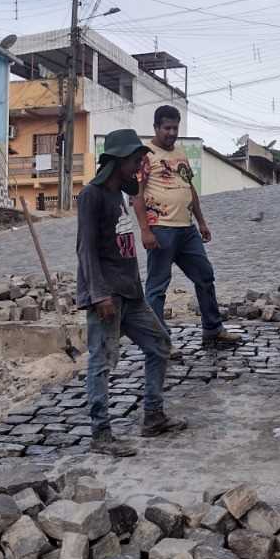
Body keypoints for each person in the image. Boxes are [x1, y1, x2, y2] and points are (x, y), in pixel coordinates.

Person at [77, 128, 186, 456]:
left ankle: (153, 416)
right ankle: (101, 435)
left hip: (131, 294)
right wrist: (99, 295)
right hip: (107, 295)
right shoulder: (92, 195)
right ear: (118, 160)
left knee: (160, 344)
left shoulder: (119, 195)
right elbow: (85, 249)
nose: (140, 165)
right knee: (102, 362)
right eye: (136, 160)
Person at [132, 104, 240, 349]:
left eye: (175, 128)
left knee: (205, 276)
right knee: (157, 287)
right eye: (167, 128)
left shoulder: (180, 153)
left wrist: (201, 222)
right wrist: (145, 230)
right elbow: (136, 195)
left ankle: (213, 329)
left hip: (187, 229)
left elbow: (189, 188)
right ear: (156, 127)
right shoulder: (145, 155)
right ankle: (159, 342)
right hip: (161, 229)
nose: (171, 133)